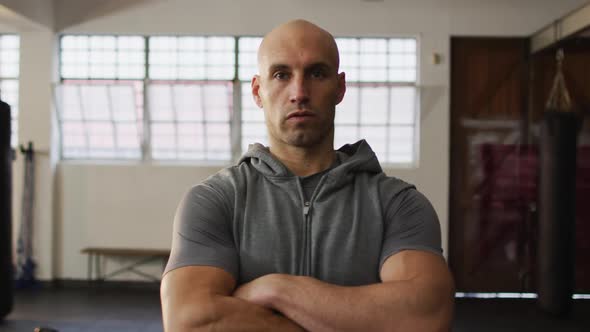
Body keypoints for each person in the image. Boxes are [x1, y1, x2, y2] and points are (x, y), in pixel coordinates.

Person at [160, 19, 454, 332]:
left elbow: (426, 316)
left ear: (339, 88)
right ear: (258, 91)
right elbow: (190, 319)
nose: (299, 92)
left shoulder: (398, 204)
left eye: (316, 73)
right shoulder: (216, 199)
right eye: (281, 74)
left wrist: (276, 289)